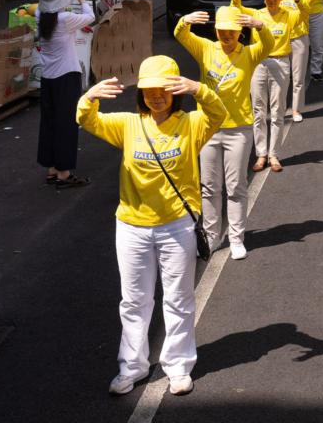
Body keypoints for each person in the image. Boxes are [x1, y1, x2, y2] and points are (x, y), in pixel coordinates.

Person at [76, 56, 227, 397]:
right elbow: (87, 120)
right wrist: (90, 96)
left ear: (175, 90)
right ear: (141, 93)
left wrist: (200, 88)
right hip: (132, 227)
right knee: (134, 301)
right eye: (149, 90)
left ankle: (178, 366)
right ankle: (132, 365)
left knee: (178, 299)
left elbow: (218, 113)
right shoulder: (128, 125)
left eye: (164, 89)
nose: (156, 96)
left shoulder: (191, 124)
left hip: (176, 227)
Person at [174, 6, 275, 260]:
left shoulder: (249, 54)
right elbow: (181, 35)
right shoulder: (206, 48)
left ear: (240, 32)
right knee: (209, 187)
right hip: (208, 128)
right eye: (221, 31)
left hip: (238, 130)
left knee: (236, 187)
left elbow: (269, 44)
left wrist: (260, 25)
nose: (226, 36)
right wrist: (184, 20)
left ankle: (236, 238)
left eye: (231, 31)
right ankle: (210, 236)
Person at [231, 0, 310, 173]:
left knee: (277, 111)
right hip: (258, 64)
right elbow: (235, 11)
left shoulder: (288, 16)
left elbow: (306, 13)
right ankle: (261, 154)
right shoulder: (256, 14)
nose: (270, 0)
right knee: (258, 111)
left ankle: (274, 154)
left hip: (281, 64)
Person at [35, 0, 97, 188]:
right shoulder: (65, 19)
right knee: (67, 124)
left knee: (50, 121)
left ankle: (51, 169)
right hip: (67, 76)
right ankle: (64, 173)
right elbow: (91, 16)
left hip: (48, 76)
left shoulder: (40, 15)